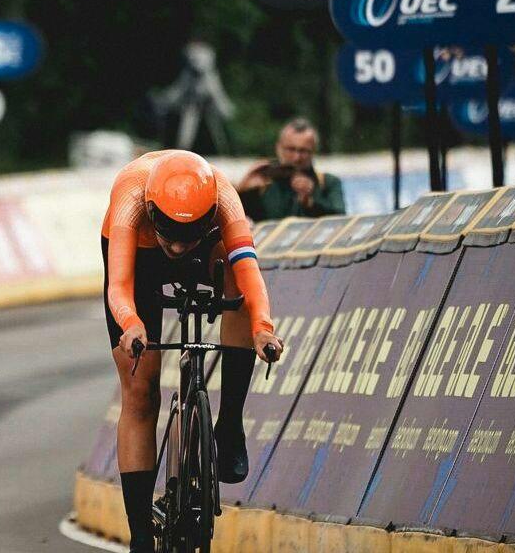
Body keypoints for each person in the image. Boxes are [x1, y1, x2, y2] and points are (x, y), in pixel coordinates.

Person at [102, 150, 283, 552]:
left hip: (211, 249)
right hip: (142, 258)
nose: (179, 247)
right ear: (152, 212)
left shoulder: (225, 199)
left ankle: (230, 423)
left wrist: (263, 328)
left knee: (236, 284)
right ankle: (141, 538)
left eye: (189, 235)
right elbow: (119, 285)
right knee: (140, 391)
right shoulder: (132, 201)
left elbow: (251, 272)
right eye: (170, 232)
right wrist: (132, 325)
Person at [235, 119, 346, 220]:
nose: (297, 157)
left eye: (303, 151)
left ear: (313, 151)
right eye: (291, 149)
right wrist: (241, 190)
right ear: (278, 148)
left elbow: (340, 220)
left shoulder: (327, 182)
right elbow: (228, 218)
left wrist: (310, 202)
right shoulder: (263, 181)